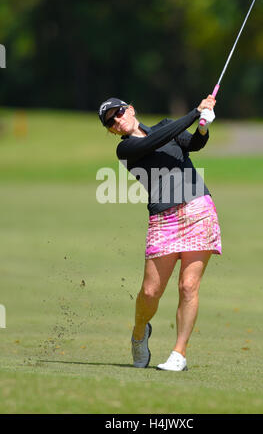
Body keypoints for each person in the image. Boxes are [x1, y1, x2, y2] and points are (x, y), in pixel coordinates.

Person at [98, 96, 222, 371]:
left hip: (198, 209)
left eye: (118, 113)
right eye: (111, 122)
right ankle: (140, 332)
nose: (117, 120)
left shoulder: (168, 126)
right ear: (112, 131)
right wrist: (194, 113)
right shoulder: (127, 149)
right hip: (163, 220)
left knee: (188, 286)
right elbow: (152, 142)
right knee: (150, 291)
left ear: (131, 108)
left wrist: (202, 125)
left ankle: (179, 353)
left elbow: (194, 144)